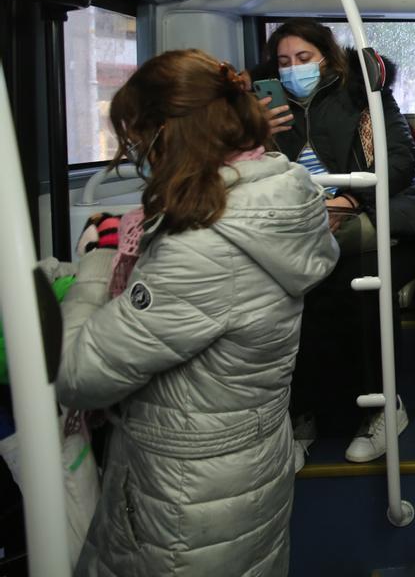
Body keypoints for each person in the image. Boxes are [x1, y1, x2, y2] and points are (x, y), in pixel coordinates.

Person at [56, 49, 339, 576]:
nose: (139, 153)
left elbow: (79, 375)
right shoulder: (270, 197)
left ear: (168, 134)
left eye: (140, 139)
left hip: (185, 492)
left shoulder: (203, 248)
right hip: (246, 460)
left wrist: (96, 264)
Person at [257, 19, 415, 468]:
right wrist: (254, 131)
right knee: (285, 291)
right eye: (284, 62)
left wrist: (350, 197)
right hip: (299, 225)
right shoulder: (264, 110)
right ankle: (300, 415)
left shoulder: (364, 95)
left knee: (356, 284)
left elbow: (401, 162)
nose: (294, 70)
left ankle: (383, 409)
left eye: (304, 59)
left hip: (371, 218)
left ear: (327, 58)